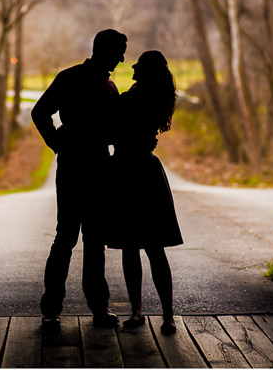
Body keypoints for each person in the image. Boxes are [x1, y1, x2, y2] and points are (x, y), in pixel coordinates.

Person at [31, 29, 127, 328]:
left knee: (80, 238)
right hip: (84, 165)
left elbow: (41, 113)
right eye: (119, 52)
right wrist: (58, 144)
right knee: (75, 238)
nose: (123, 59)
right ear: (104, 51)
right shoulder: (86, 82)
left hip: (88, 165)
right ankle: (88, 309)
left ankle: (58, 310)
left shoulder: (81, 80)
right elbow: (39, 112)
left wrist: (60, 144)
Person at [109, 50, 183, 335]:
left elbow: (113, 128)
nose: (133, 65)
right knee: (154, 247)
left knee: (132, 246)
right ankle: (167, 315)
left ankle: (138, 310)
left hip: (128, 168)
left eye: (139, 63)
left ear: (147, 70)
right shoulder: (156, 95)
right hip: (146, 169)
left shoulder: (134, 97)